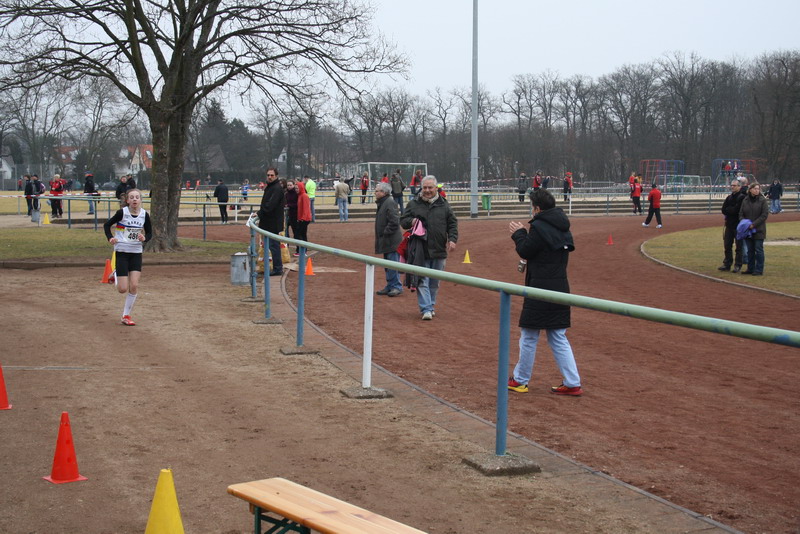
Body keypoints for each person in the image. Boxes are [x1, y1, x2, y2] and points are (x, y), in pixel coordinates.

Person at [507, 189, 582, 396]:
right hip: (560, 287)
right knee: (558, 336)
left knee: (529, 335)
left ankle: (520, 380)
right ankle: (573, 382)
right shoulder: (563, 226)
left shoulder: (539, 227)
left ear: (537, 208)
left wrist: (519, 233)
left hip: (540, 287)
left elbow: (525, 250)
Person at [400, 175, 458, 320]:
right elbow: (403, 221)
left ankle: (430, 306)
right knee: (422, 280)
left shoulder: (444, 205)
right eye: (424, 187)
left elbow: (452, 224)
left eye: (430, 187)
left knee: (434, 282)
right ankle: (426, 309)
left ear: (436, 188)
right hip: (420, 249)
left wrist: (452, 239)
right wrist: (411, 221)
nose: (427, 190)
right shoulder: (413, 204)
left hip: (439, 250)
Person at [103, 188, 152, 326]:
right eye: (132, 197)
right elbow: (107, 225)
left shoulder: (144, 215)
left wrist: (144, 238)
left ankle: (126, 315)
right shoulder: (122, 213)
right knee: (122, 289)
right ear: (127, 200)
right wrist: (110, 238)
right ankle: (115, 273)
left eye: (137, 197)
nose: (135, 199)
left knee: (134, 285)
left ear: (140, 200)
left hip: (136, 252)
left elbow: (150, 233)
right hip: (122, 251)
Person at [374, 182, 403, 297]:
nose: (375, 193)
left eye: (377, 191)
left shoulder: (389, 202)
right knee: (387, 264)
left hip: (392, 241)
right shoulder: (383, 203)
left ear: (384, 192)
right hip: (386, 240)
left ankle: (396, 286)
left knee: (393, 264)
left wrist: (385, 233)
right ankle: (390, 285)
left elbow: (394, 222)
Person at [256, 168, 286, 276]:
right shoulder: (271, 187)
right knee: (271, 246)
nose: (269, 177)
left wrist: (259, 213)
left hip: (273, 222)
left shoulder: (276, 188)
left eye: (272, 175)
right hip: (268, 221)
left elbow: (270, 205)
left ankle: (278, 268)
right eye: (268, 175)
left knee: (274, 246)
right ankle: (276, 267)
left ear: (276, 176)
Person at [739, 182, 769, 276]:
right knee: (750, 250)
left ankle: (759, 269)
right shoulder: (745, 200)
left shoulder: (762, 200)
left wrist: (754, 224)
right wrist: (745, 223)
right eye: (755, 188)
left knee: (758, 249)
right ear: (750, 189)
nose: (757, 190)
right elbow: (741, 213)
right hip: (748, 230)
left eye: (758, 189)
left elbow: (764, 215)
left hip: (759, 230)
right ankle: (750, 268)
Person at [718, 179, 746, 273]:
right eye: (732, 185)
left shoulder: (742, 198)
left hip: (738, 225)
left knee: (739, 247)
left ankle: (738, 265)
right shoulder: (729, 198)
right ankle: (727, 263)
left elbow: (737, 210)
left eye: (734, 185)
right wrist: (731, 210)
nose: (732, 187)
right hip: (729, 225)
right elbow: (723, 209)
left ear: (739, 187)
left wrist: (729, 210)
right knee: (727, 245)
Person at [294, 181, 312, 255]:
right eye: (295, 188)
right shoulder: (300, 195)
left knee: (300, 234)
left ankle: (302, 250)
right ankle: (302, 250)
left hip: (304, 219)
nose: (296, 190)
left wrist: (303, 218)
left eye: (297, 188)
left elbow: (306, 208)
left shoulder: (304, 196)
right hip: (302, 218)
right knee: (302, 234)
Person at [285, 178, 298, 244]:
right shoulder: (286, 194)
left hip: (295, 215)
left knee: (296, 232)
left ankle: (298, 247)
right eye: (288, 185)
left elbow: (297, 204)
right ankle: (286, 244)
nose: (289, 187)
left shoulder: (296, 193)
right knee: (285, 229)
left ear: (293, 185)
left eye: (290, 185)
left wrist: (289, 205)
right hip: (288, 215)